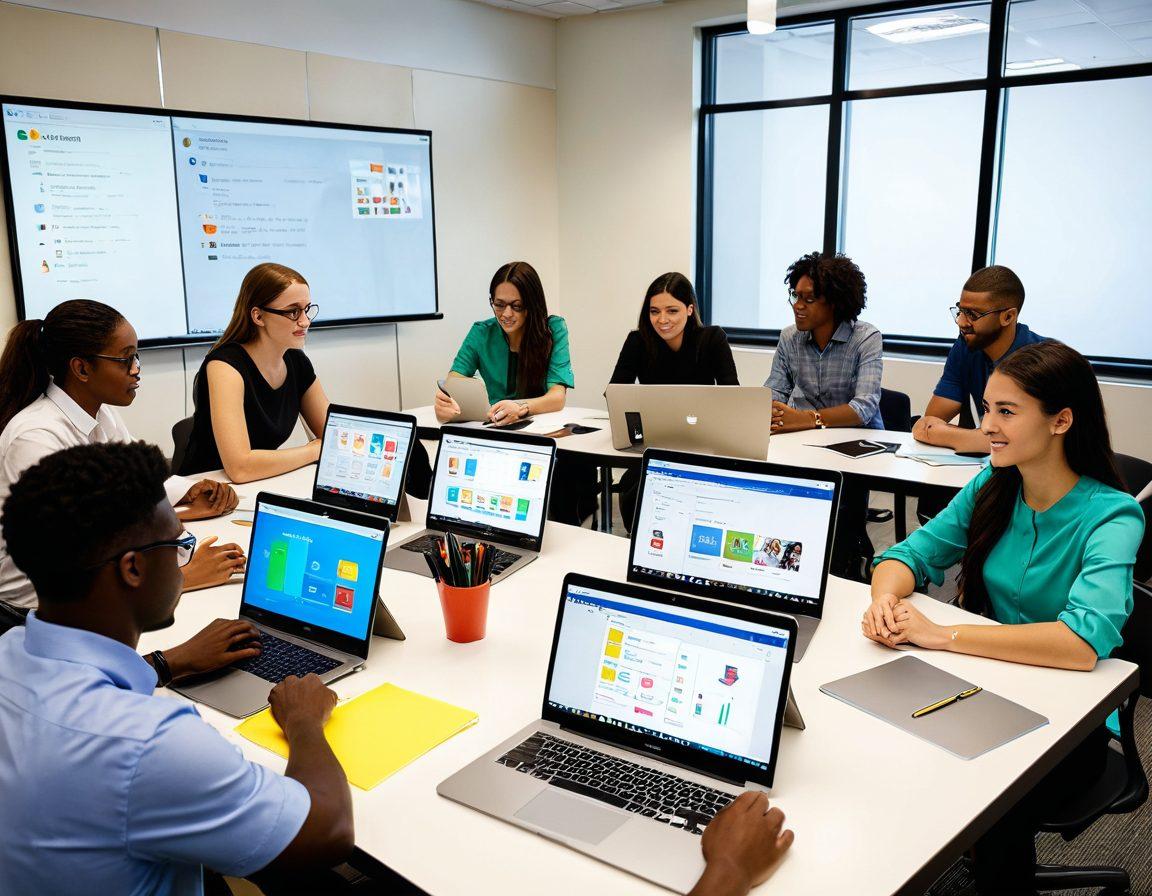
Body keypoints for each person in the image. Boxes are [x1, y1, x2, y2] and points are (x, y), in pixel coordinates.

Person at [0, 440, 796, 896]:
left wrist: (170, 661)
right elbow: (326, 834)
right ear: (132, 572)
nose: (187, 560)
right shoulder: (148, 744)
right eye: (178, 547)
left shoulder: (8, 658)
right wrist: (306, 727)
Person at [861, 340, 1144, 894]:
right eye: (987, 408)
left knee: (986, 791)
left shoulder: (1114, 515)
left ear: (1061, 420)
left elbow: (1082, 643)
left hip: (1074, 721)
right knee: (882, 738)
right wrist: (885, 601)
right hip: (986, 683)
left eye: (1005, 412)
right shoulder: (994, 485)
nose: (986, 425)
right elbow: (907, 555)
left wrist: (942, 635)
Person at [0, 299, 246, 611]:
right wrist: (184, 577)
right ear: (82, 368)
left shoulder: (100, 415)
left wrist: (189, 491)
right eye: (125, 360)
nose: (136, 371)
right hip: (39, 603)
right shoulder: (35, 436)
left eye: (137, 357)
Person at [437, 261, 595, 523]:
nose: (506, 313)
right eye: (499, 304)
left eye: (516, 306)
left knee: (568, 478)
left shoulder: (553, 329)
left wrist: (520, 407)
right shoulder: (481, 332)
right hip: (498, 433)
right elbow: (454, 380)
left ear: (532, 304)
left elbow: (557, 397)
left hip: (543, 437)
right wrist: (445, 400)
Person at [765, 252, 882, 579]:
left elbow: (864, 408)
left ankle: (846, 563)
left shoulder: (866, 338)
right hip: (802, 444)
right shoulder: (790, 337)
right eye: (795, 296)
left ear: (835, 303)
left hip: (857, 448)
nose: (797, 305)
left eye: (809, 298)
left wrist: (806, 418)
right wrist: (766, 409)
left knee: (837, 517)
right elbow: (774, 388)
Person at [609, 272, 739, 528]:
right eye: (654, 311)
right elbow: (616, 393)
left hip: (704, 443)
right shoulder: (638, 341)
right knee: (634, 499)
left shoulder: (712, 339)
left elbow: (732, 396)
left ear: (690, 309)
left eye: (672, 310)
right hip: (653, 442)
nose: (662, 320)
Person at [179, 263, 329, 481]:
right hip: (209, 490)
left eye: (307, 310)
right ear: (258, 317)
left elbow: (332, 435)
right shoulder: (225, 367)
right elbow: (240, 468)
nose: (305, 321)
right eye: (293, 312)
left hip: (258, 484)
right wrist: (313, 450)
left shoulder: (296, 361)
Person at [913, 265, 1045, 454]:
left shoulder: (1041, 359)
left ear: (1008, 316)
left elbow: (1021, 442)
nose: (961, 322)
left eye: (973, 315)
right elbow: (927, 424)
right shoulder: (966, 347)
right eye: (960, 311)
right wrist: (973, 439)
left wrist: (951, 435)